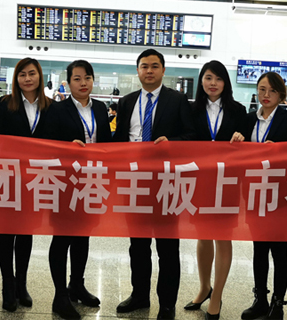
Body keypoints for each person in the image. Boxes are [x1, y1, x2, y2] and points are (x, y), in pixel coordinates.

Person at [113, 48, 196, 320]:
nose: (149, 71)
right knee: (137, 245)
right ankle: (139, 295)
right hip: (135, 182)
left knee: (167, 247)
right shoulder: (127, 102)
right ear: (137, 70)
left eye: (154, 66)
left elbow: (191, 135)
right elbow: (118, 140)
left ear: (163, 70)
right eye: (144, 66)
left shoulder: (178, 100)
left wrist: (172, 143)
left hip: (166, 183)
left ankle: (167, 303)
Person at [46, 60, 112, 320]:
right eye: (77, 79)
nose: (83, 83)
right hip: (64, 183)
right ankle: (59, 295)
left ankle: (77, 284)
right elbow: (47, 144)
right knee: (62, 238)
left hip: (92, 182)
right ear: (69, 82)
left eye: (87, 78)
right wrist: (66, 147)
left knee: (83, 235)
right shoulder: (57, 109)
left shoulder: (100, 108)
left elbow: (108, 143)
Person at [184, 61, 245, 320]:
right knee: (203, 235)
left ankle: (217, 295)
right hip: (199, 180)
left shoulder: (238, 110)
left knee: (223, 236)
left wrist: (241, 137)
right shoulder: (190, 109)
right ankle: (204, 287)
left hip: (227, 181)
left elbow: (248, 141)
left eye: (218, 79)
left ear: (225, 83)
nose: (213, 83)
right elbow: (184, 138)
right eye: (208, 78)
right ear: (201, 80)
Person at [243, 71, 287, 320]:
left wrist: (278, 150)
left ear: (281, 94)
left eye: (272, 91)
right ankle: (260, 299)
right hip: (254, 191)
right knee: (259, 248)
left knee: (279, 249)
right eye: (262, 89)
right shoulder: (248, 119)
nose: (266, 95)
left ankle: (278, 303)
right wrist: (237, 140)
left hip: (280, 193)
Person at [0, 58, 54, 311]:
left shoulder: (51, 107)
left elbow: (58, 139)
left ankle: (21, 283)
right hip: (8, 178)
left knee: (26, 232)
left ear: (40, 76)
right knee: (7, 232)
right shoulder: (5, 104)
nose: (27, 79)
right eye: (22, 75)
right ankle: (7, 285)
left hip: (35, 180)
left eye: (32, 73)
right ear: (16, 79)